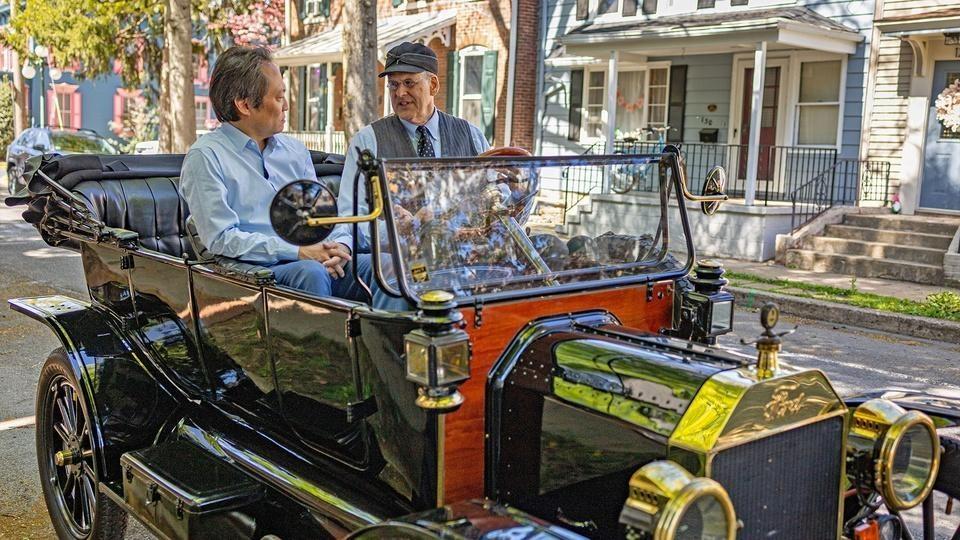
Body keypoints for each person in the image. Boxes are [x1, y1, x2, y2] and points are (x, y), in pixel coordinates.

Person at [180, 46, 367, 301]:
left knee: (383, 267)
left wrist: (338, 247)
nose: (287, 106)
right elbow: (221, 239)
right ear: (245, 105)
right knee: (311, 273)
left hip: (312, 260)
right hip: (252, 274)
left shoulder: (295, 151)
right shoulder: (205, 157)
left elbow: (321, 218)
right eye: (279, 98)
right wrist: (298, 251)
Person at [329, 42, 490, 310]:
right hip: (407, 266)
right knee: (418, 280)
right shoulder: (369, 141)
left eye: (409, 83)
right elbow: (349, 220)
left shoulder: (471, 136)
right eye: (393, 85)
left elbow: (493, 199)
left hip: (466, 257)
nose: (400, 93)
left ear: (434, 86)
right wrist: (397, 231)